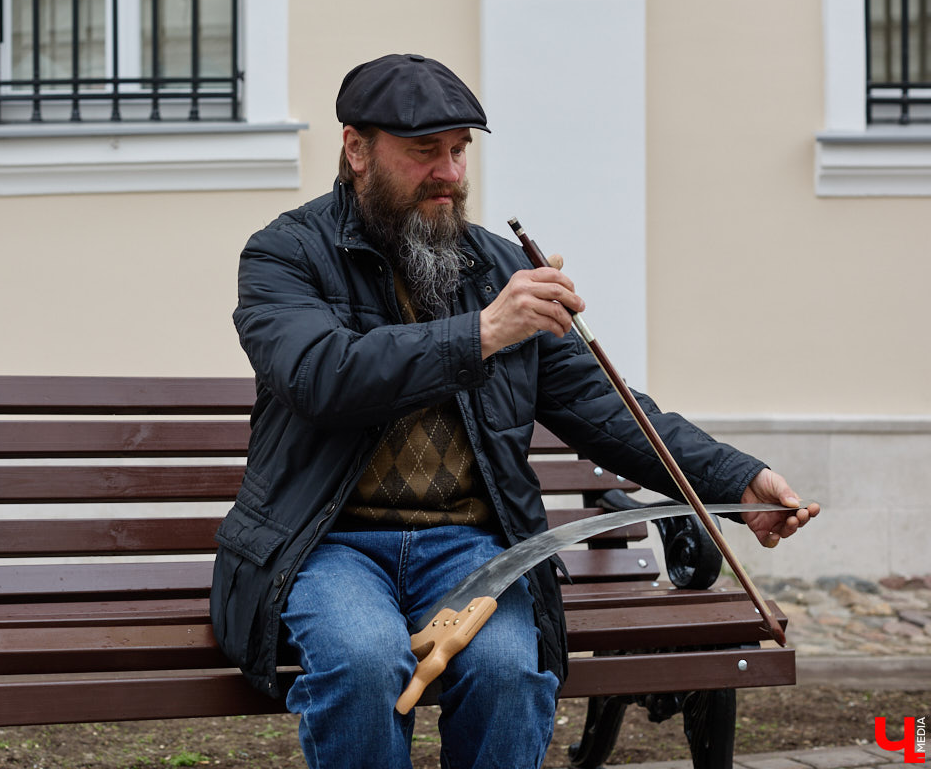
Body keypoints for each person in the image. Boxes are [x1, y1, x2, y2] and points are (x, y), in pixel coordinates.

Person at [210, 53, 818, 769]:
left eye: (459, 150)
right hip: (328, 546)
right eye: (423, 152)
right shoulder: (284, 254)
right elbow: (320, 376)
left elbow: (603, 407)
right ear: (355, 148)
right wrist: (483, 332)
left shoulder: (496, 267)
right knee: (363, 664)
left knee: (507, 673)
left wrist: (736, 480)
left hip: (470, 549)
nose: (450, 174)